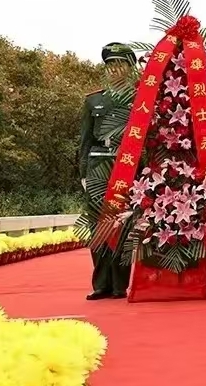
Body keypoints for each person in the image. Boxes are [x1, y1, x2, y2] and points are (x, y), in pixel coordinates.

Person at [78, 42, 137, 300]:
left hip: (126, 165)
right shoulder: (94, 100)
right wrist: (83, 173)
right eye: (110, 65)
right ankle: (100, 283)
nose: (115, 69)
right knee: (97, 225)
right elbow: (85, 140)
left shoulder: (138, 100)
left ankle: (119, 285)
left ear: (130, 68)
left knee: (122, 225)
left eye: (121, 64)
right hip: (98, 164)